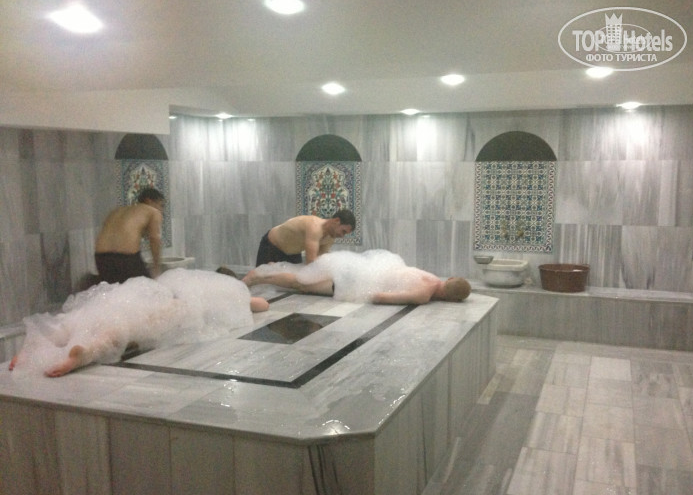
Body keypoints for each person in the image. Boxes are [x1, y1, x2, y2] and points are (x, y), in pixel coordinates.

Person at [9, 269, 269, 378]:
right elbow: (262, 304)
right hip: (176, 308)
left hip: (143, 294)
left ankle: (33, 347)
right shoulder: (223, 292)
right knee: (127, 330)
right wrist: (240, 289)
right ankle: (85, 353)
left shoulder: (182, 278)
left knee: (84, 316)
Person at [244, 249, 471, 305]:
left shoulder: (431, 278)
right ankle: (259, 277)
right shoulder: (423, 295)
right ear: (450, 299)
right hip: (352, 279)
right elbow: (379, 297)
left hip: (358, 267)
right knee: (300, 284)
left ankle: (270, 269)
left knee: (303, 276)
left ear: (449, 279)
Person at [94, 187, 165, 283]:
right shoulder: (153, 211)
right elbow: (154, 239)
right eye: (161, 205)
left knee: (113, 290)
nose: (161, 210)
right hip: (126, 259)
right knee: (151, 289)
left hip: (101, 259)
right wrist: (156, 267)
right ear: (149, 201)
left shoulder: (117, 211)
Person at [255, 210, 356, 266]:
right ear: (336, 221)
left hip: (292, 253)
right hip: (271, 246)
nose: (342, 236)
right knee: (261, 285)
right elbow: (311, 261)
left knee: (289, 286)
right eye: (343, 231)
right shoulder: (315, 227)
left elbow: (320, 261)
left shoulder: (330, 238)